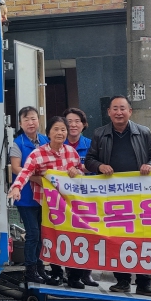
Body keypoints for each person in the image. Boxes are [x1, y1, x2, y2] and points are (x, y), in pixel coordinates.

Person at [84, 95, 151, 296]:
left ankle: (144, 283)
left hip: (141, 196)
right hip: (114, 198)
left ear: (130, 111)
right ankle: (122, 280)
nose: (119, 112)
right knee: (117, 238)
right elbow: (89, 160)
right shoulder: (100, 133)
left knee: (143, 238)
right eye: (115, 109)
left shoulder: (143, 132)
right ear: (109, 112)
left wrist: (150, 165)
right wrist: (100, 166)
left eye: (123, 108)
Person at [8, 116, 84, 287]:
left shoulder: (72, 153)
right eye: (56, 129)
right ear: (48, 133)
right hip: (44, 204)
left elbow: (81, 173)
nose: (60, 133)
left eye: (63, 129)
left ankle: (71, 276)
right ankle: (38, 272)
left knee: (66, 236)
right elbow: (25, 172)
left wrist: (77, 172)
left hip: (65, 206)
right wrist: (16, 187)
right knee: (43, 236)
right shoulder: (38, 154)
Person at [9, 107, 51, 284]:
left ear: (38, 121)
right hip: (25, 196)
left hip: (44, 197)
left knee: (42, 233)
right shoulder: (17, 143)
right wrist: (35, 178)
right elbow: (16, 168)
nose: (30, 123)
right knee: (33, 233)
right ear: (20, 124)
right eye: (26, 120)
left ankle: (41, 268)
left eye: (33, 119)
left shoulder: (46, 140)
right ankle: (30, 270)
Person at [62, 107, 98, 288]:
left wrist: (82, 170)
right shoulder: (57, 144)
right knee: (68, 236)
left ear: (84, 124)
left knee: (88, 235)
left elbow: (97, 167)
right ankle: (70, 273)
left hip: (87, 199)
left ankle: (87, 274)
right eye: (69, 121)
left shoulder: (91, 144)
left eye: (77, 121)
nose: (73, 125)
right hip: (64, 200)